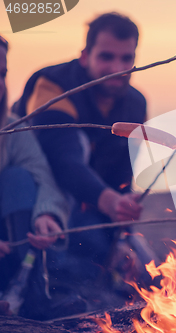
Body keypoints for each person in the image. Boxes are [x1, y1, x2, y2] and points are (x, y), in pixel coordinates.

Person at [13, 13, 145, 285]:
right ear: (85, 56)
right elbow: (63, 161)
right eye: (106, 57)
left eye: (126, 58)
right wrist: (111, 203)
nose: (117, 67)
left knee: (147, 267)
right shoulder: (52, 85)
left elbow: (123, 176)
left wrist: (122, 231)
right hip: (37, 198)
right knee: (84, 257)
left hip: (91, 205)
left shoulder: (135, 103)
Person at [0, 35, 69, 316]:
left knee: (19, 178)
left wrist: (47, 215)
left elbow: (43, 177)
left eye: (1, 73)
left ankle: (29, 291)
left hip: (8, 249)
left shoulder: (11, 129)